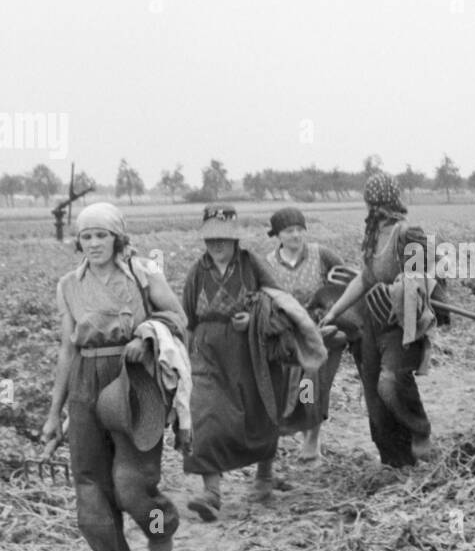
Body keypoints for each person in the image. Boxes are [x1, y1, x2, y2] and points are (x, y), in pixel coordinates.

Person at [41, 202, 188, 551]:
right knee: (89, 478)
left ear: (117, 238)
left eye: (101, 235)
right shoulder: (69, 285)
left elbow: (178, 317)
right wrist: (55, 413)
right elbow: (66, 350)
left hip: (133, 377)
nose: (93, 243)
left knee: (131, 482)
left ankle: (160, 526)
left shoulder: (143, 273)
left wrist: (145, 335)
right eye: (86, 236)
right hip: (86, 380)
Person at [320, 174, 447, 468]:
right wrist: (334, 312)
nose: (375, 211)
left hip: (403, 324)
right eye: (373, 205)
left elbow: (427, 277)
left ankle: (420, 431)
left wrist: (395, 289)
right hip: (371, 324)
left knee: (389, 384)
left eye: (378, 205)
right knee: (374, 399)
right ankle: (395, 460)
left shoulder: (408, 233)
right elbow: (364, 279)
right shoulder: (374, 237)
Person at [181, 205, 301, 512]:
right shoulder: (198, 271)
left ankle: (264, 477)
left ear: (235, 240)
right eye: (211, 239)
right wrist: (185, 356)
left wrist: (254, 318)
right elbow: (187, 318)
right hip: (208, 356)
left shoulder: (251, 265)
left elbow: (280, 301)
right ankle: (211, 493)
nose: (217, 245)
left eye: (223, 238)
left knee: (259, 412)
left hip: (251, 353)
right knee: (204, 413)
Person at [264, 206, 346, 464]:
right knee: (294, 389)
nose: (296, 236)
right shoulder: (267, 264)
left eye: (300, 230)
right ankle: (294, 435)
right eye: (289, 231)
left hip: (323, 335)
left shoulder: (321, 255)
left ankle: (312, 443)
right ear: (278, 235)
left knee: (316, 386)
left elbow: (345, 282)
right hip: (287, 339)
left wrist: (332, 310)